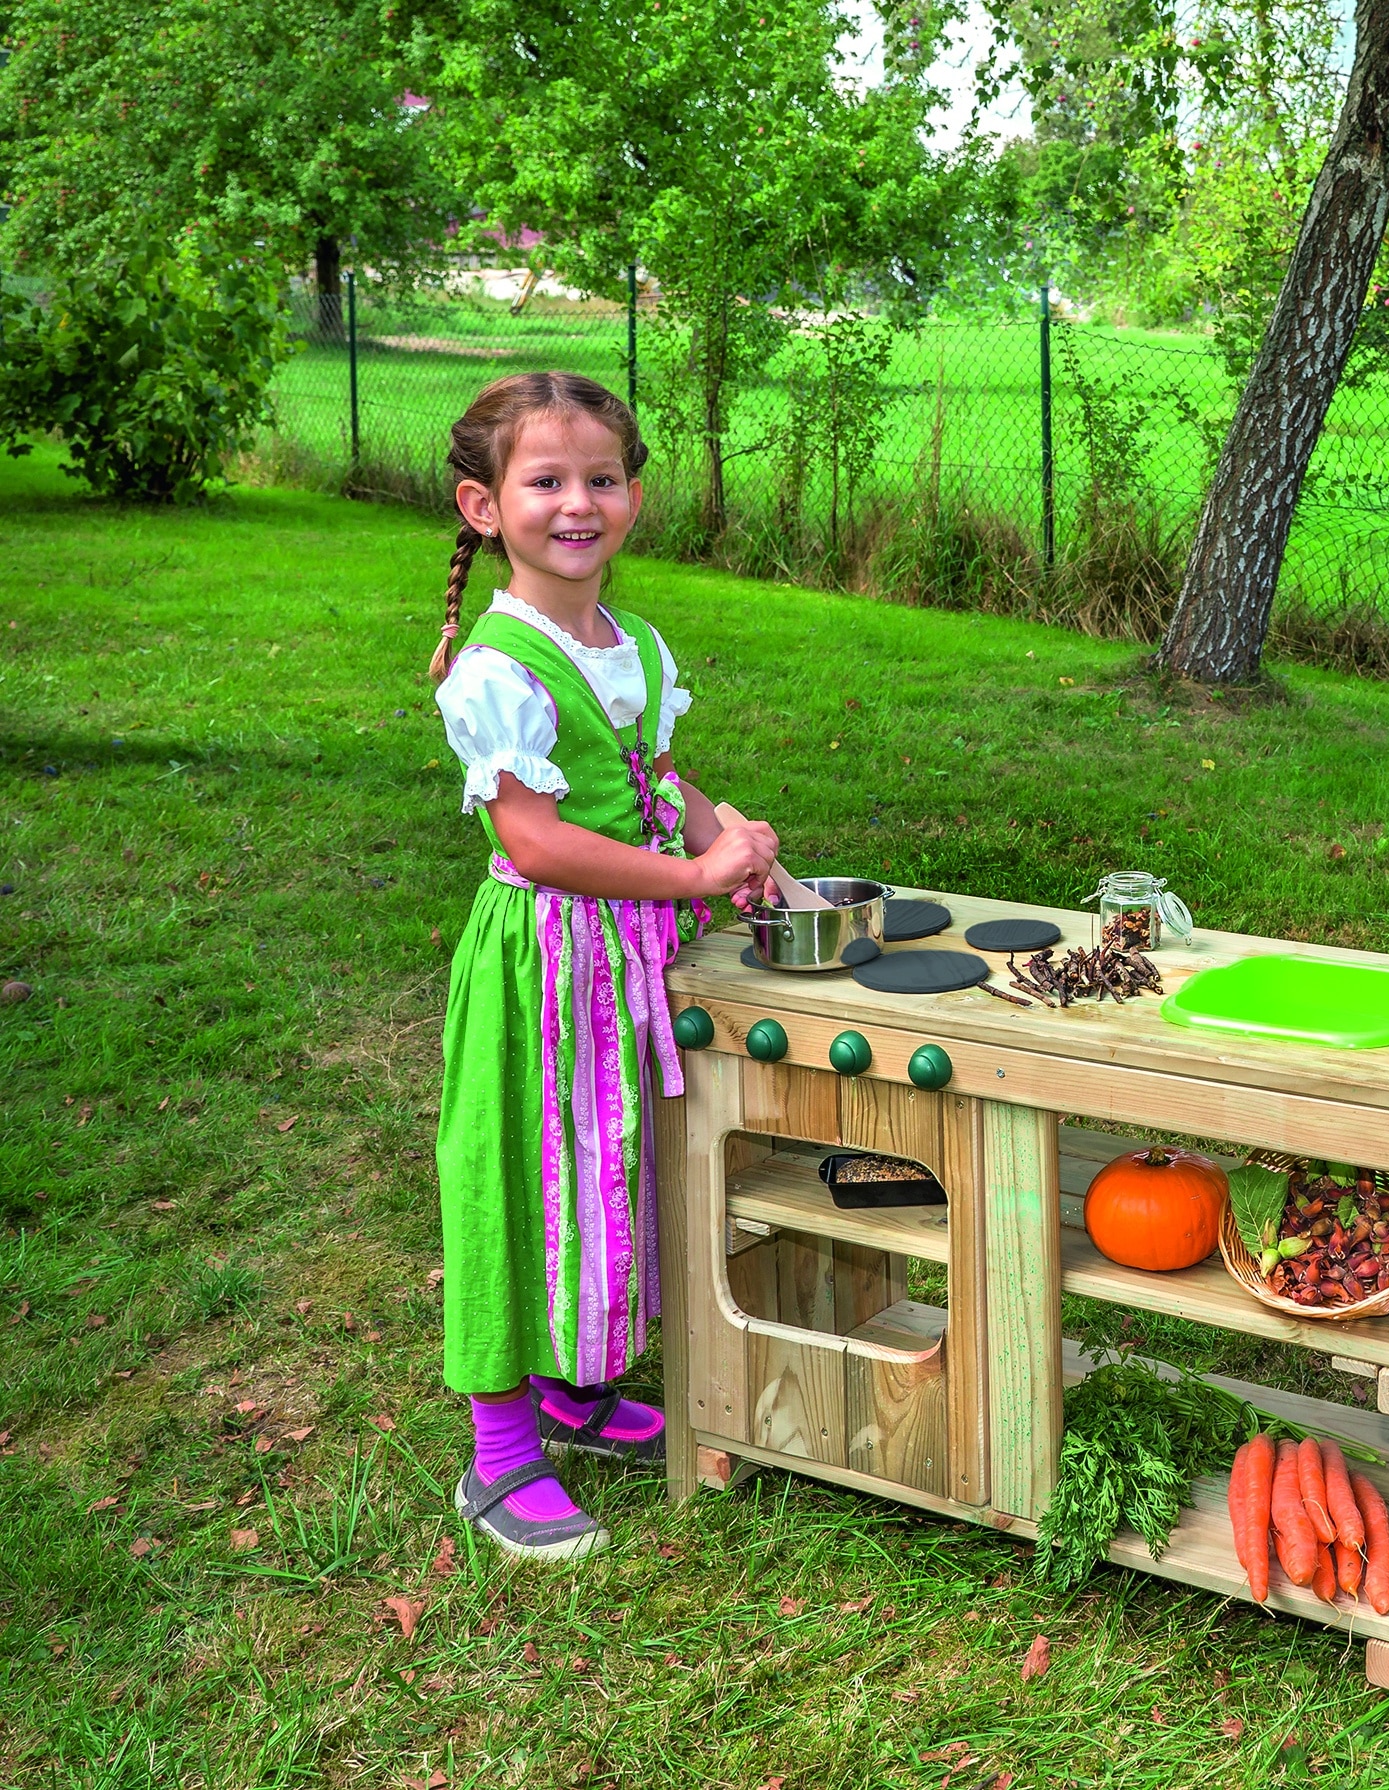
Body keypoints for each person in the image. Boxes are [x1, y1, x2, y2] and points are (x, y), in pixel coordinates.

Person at [429, 372, 778, 1560]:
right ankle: (500, 1448)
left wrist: (729, 841)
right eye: (546, 481)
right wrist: (690, 877)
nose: (578, 503)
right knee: (521, 1177)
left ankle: (576, 1389)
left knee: (611, 1171)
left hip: (628, 953)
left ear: (633, 494)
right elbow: (528, 836)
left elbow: (652, 782)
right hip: (542, 961)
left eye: (602, 479)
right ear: (485, 506)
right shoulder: (496, 668)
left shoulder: (631, 642)